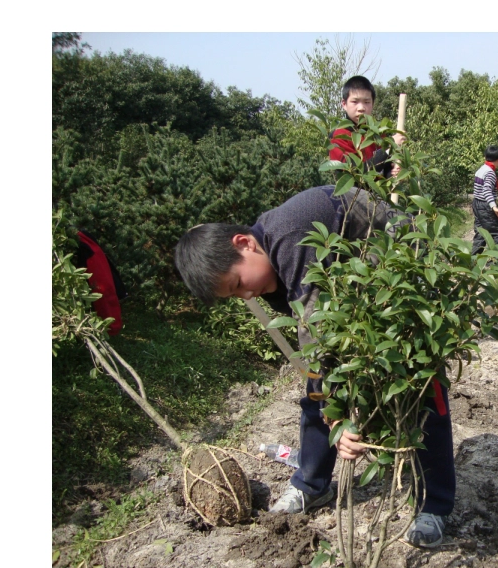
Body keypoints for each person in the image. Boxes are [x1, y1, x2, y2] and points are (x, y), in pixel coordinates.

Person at [174, 186, 455, 547]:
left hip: (406, 279)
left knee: (422, 393)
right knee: (316, 395)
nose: (246, 295)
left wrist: (338, 417)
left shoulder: (289, 236)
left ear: (244, 243)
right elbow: (321, 347)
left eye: (238, 284)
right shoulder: (268, 261)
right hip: (358, 295)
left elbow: (317, 331)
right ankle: (312, 485)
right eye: (235, 296)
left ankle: (434, 504)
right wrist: (333, 408)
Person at [328, 75, 403, 178]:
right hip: (353, 189)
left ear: (373, 104)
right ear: (344, 104)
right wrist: (389, 147)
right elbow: (356, 172)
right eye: (355, 102)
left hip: (377, 189)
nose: (361, 108)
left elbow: (384, 172)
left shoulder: (379, 134)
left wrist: (394, 174)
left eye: (367, 102)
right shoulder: (338, 136)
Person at [471, 145, 498, 255]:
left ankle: (473, 259)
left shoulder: (481, 169)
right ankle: (493, 260)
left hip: (477, 203)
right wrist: (494, 207)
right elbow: (486, 191)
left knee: (481, 233)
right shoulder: (490, 172)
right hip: (485, 206)